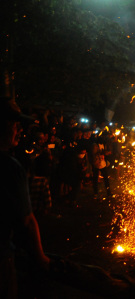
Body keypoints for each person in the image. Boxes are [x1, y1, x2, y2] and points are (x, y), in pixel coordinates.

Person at [0, 99, 49, 298]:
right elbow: (27, 221)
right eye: (15, 124)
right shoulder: (9, 167)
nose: (20, 130)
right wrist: (41, 258)